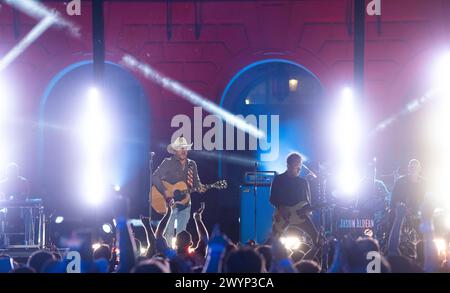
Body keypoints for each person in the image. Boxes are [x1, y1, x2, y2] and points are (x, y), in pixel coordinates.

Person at [152, 136, 205, 240]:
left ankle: (180, 254)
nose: (183, 150)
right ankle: (167, 255)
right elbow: (155, 177)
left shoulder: (192, 164)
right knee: (168, 234)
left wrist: (200, 187)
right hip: (170, 203)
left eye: (185, 148)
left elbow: (196, 182)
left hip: (185, 204)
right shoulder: (168, 162)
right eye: (180, 148)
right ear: (175, 150)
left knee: (182, 235)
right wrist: (165, 191)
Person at [269, 152, 319, 245]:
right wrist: (280, 207)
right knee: (273, 241)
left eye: (299, 164)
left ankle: (310, 258)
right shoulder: (279, 179)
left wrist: (308, 210)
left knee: (315, 236)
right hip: (283, 217)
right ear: (288, 165)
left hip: (300, 216)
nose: (299, 167)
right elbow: (272, 198)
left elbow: (307, 202)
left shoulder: (303, 182)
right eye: (296, 164)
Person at [0, 163, 32, 246]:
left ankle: (28, 240)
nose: (12, 174)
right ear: (7, 173)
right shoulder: (3, 183)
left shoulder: (23, 181)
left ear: (17, 172)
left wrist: (19, 197)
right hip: (6, 209)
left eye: (14, 172)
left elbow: (26, 195)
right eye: (10, 172)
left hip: (21, 208)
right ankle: (1, 240)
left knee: (28, 213)